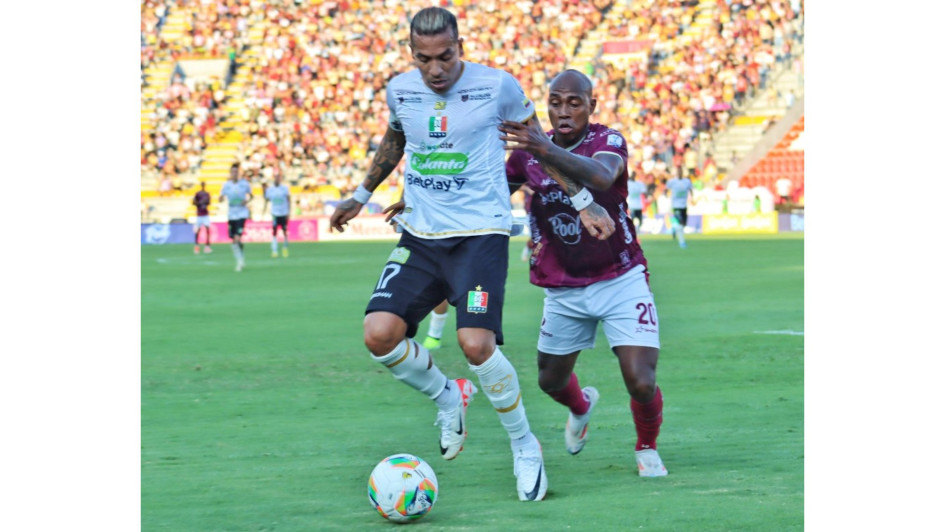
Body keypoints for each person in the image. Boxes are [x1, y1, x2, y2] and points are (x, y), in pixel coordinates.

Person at [328, 7, 607, 502]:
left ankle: (525, 446)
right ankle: (446, 395)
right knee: (379, 335)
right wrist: (361, 193)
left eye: (445, 57)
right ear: (411, 54)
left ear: (461, 45)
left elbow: (540, 146)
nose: (435, 69)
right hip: (420, 235)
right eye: (424, 59)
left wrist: (583, 202)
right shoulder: (400, 90)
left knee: (477, 345)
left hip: (480, 236)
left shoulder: (497, 87)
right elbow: (395, 138)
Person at [500, 68, 668, 478]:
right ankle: (581, 406)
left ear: (592, 106)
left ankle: (647, 447)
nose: (563, 111)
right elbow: (489, 192)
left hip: (620, 278)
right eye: (555, 102)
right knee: (550, 381)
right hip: (562, 288)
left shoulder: (607, 141)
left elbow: (600, 176)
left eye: (574, 102)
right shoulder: (526, 155)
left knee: (640, 380)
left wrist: (542, 147)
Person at [219, 163, 253, 272]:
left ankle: (239, 263)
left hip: (242, 213)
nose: (234, 174)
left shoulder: (244, 184)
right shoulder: (226, 185)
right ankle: (241, 258)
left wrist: (246, 201)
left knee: (237, 238)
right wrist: (220, 198)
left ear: (238, 173)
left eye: (236, 172)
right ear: (230, 173)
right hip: (231, 213)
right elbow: (221, 197)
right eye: (232, 172)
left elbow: (251, 195)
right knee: (235, 239)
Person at [264, 174, 291, 258]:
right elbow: (266, 199)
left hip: (283, 213)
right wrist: (263, 191)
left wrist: (289, 212)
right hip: (275, 214)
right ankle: (274, 250)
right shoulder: (270, 189)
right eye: (276, 177)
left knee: (284, 232)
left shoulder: (284, 188)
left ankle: (285, 248)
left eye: (279, 177)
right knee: (274, 232)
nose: (277, 179)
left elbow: (289, 199)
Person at [664, 169, 693, 248]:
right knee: (680, 223)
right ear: (676, 173)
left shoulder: (687, 181)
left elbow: (690, 189)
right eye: (678, 172)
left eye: (681, 172)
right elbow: (666, 188)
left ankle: (674, 228)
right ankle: (682, 242)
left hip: (683, 205)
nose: (680, 173)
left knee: (683, 224)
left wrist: (692, 197)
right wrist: (666, 194)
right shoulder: (672, 181)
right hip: (675, 205)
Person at [192, 181, 213, 254]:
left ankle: (207, 246)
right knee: (198, 230)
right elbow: (193, 202)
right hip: (199, 214)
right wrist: (199, 203)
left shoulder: (207, 194)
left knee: (207, 229)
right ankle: (197, 245)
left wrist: (206, 202)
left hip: (205, 214)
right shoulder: (198, 194)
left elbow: (209, 202)